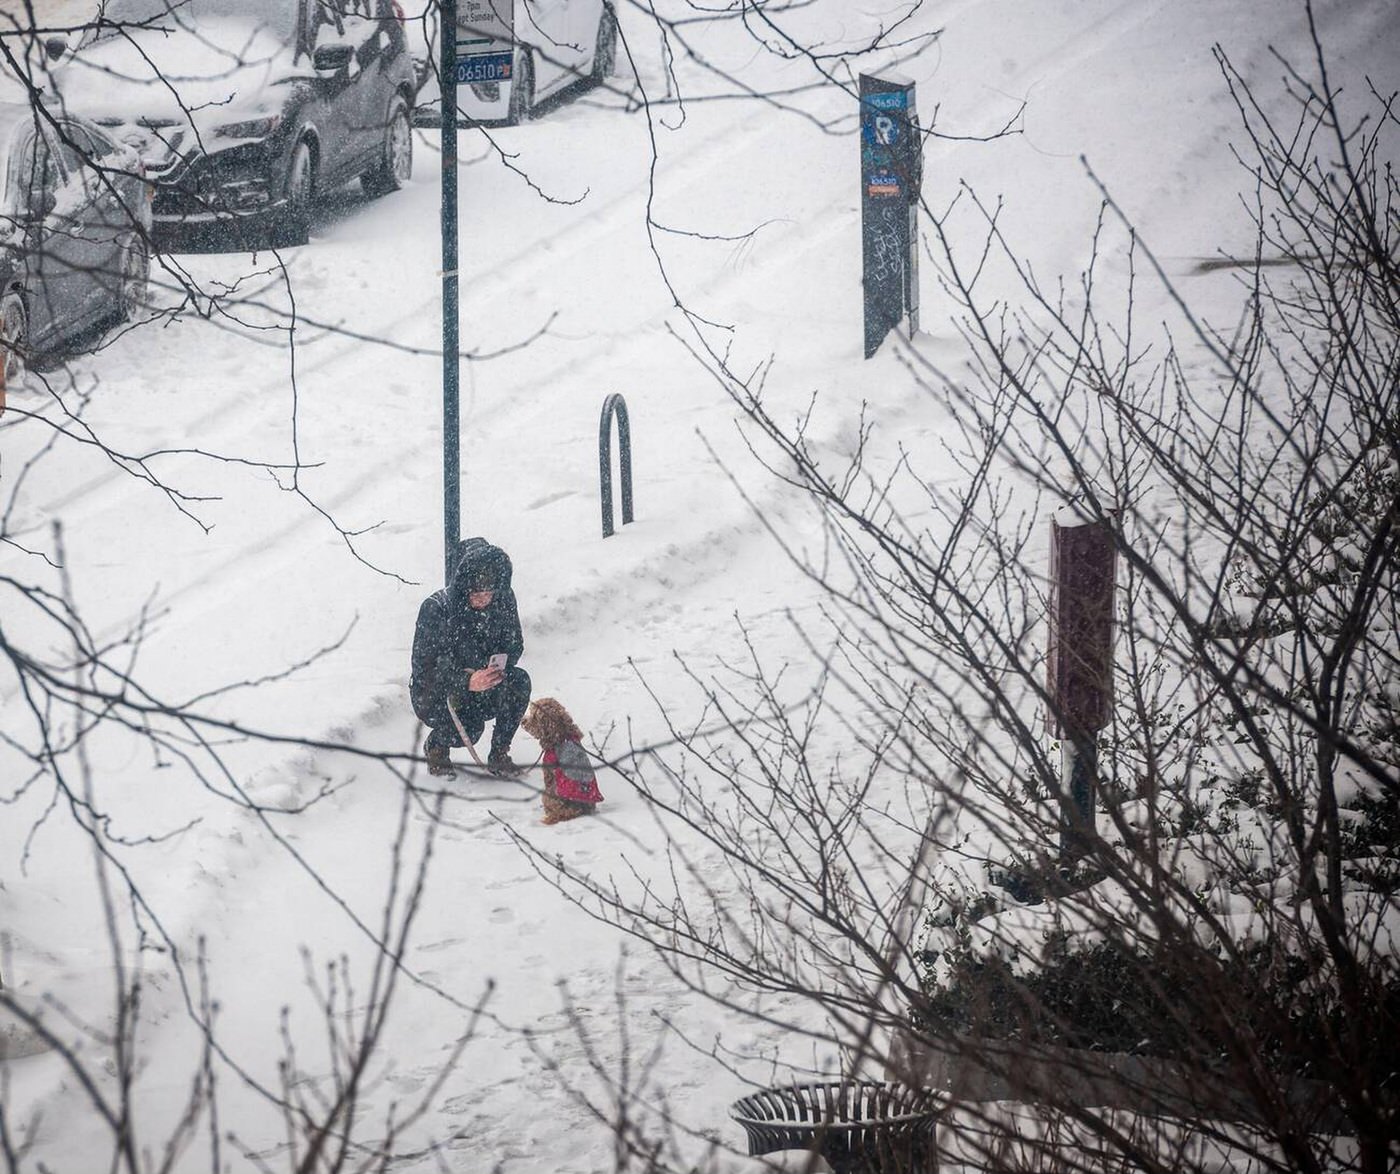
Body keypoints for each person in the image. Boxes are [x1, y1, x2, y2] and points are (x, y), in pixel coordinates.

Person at [410, 537, 531, 778]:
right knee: (470, 730)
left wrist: (496, 665)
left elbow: (515, 644)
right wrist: (466, 680)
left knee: (519, 682)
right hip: (439, 693)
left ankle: (499, 754)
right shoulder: (437, 608)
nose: (484, 599)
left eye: (489, 593)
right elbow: (426, 671)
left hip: (486, 680)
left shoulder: (503, 601)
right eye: (477, 593)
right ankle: (437, 745)